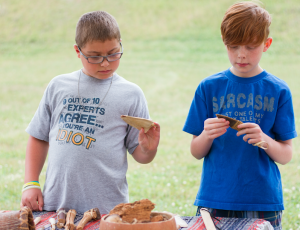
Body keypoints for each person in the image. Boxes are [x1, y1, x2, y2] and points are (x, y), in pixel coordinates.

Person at [21, 11, 160, 214]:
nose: (105, 63)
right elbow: (39, 137)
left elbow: (141, 156)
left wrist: (149, 149)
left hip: (107, 211)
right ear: (78, 51)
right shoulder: (58, 86)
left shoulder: (131, 94)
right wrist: (31, 183)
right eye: (94, 57)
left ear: (120, 44)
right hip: (55, 206)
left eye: (113, 53)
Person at [182, 1, 297, 229]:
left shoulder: (278, 90)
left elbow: (286, 155)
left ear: (267, 44)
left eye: (250, 47)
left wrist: (264, 140)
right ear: (224, 44)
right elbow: (196, 151)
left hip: (263, 201)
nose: (241, 55)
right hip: (214, 198)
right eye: (233, 47)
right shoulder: (208, 87)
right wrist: (206, 135)